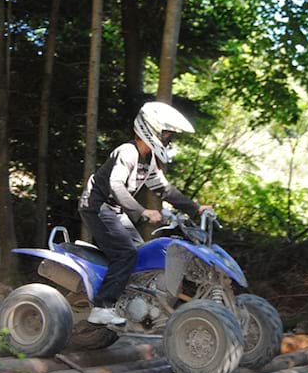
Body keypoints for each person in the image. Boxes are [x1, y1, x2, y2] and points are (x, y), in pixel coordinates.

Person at [79, 101, 212, 325]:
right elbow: (116, 185)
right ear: (151, 130)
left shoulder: (148, 160)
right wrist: (142, 211)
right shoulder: (128, 152)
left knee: (140, 255)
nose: (169, 139)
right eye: (167, 134)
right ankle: (102, 307)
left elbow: (164, 189)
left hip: (114, 209)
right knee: (126, 254)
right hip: (96, 206)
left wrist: (196, 208)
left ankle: (128, 303)